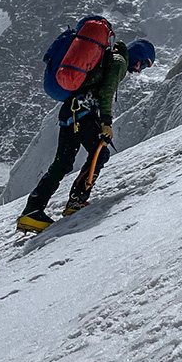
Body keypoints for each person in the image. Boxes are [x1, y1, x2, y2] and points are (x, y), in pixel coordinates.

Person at [16, 37, 156, 232]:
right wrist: (106, 122)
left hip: (69, 112)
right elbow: (106, 92)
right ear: (139, 56)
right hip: (83, 113)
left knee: (62, 163)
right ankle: (77, 200)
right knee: (100, 152)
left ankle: (32, 211)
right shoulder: (119, 61)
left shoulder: (109, 55)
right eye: (145, 64)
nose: (139, 70)